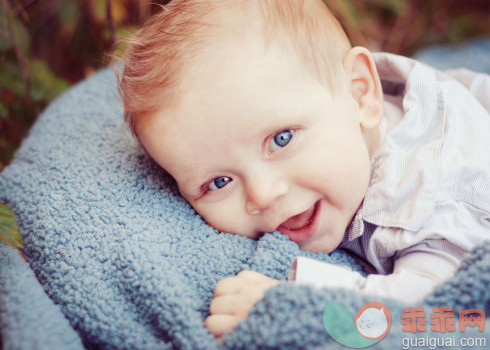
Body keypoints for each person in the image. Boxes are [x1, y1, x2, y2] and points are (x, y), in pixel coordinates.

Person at [117, 0, 490, 339]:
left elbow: (436, 317)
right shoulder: (323, 108)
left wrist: (290, 303)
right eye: (218, 182)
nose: (262, 194)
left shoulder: (434, 200)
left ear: (361, 94)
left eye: (280, 140)